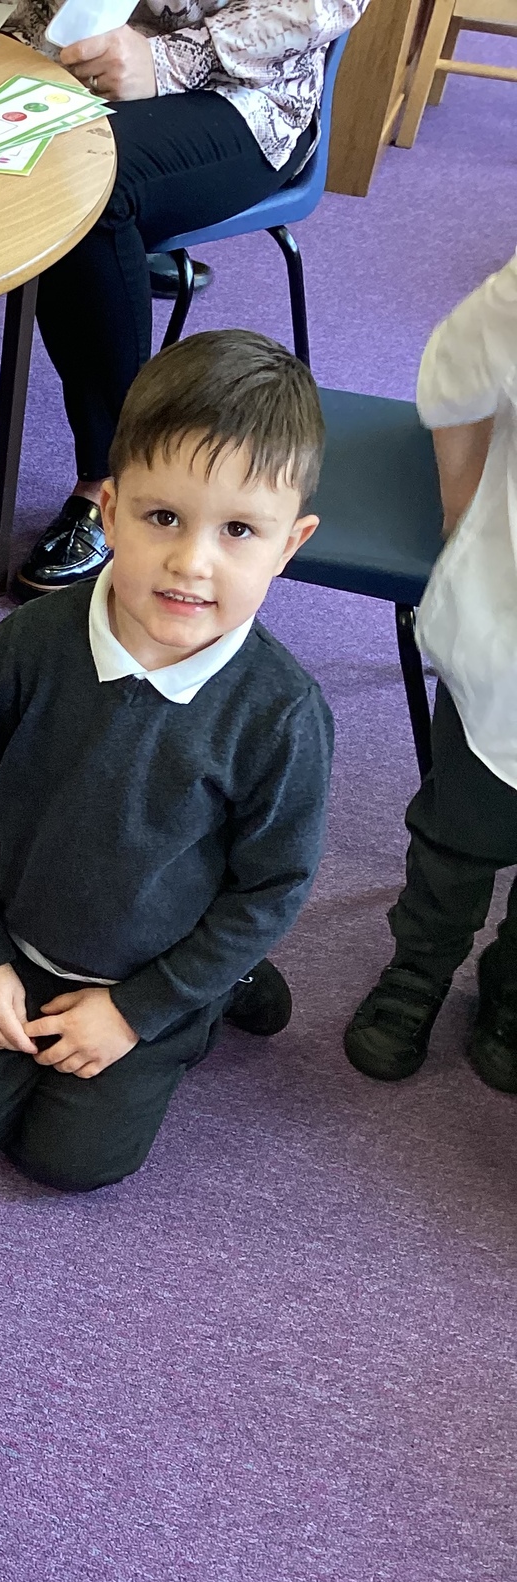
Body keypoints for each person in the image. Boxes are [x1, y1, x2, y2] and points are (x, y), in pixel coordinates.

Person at [0, 329, 331, 1192]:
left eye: (239, 530)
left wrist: (140, 1011)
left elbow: (271, 886)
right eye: (162, 517)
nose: (192, 562)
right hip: (12, 942)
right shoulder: (28, 645)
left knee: (71, 1162)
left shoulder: (282, 714)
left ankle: (216, 994)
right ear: (108, 510)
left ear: (289, 545)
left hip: (145, 975)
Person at [0, 0, 362, 588]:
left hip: (236, 91)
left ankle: (113, 481)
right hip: (49, 52)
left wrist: (166, 61)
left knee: (84, 186)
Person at [345, 251, 517, 1093]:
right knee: (461, 834)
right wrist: (460, 510)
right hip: (508, 636)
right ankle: (419, 968)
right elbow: (456, 373)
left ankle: (512, 982)